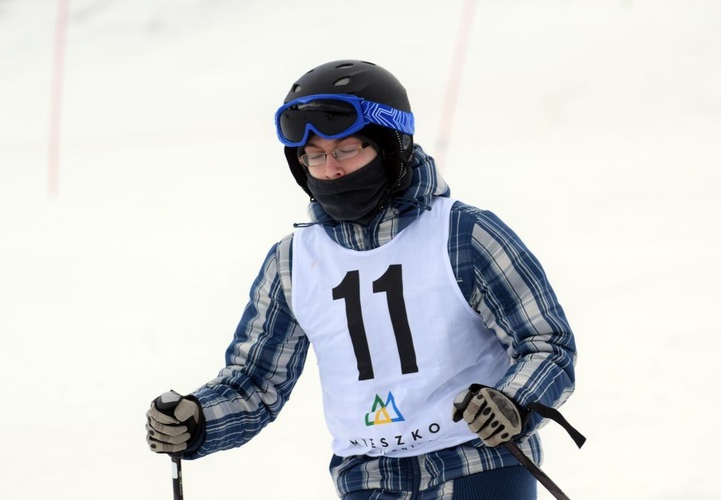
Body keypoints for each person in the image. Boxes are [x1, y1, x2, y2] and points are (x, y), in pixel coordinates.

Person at [146, 59, 578, 499]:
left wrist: (514, 401)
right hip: (368, 479)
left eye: (346, 150)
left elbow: (546, 343)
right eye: (314, 157)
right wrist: (197, 419)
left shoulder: (464, 235)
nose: (330, 170)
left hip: (477, 464)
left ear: (391, 148)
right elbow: (257, 381)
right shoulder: (293, 263)